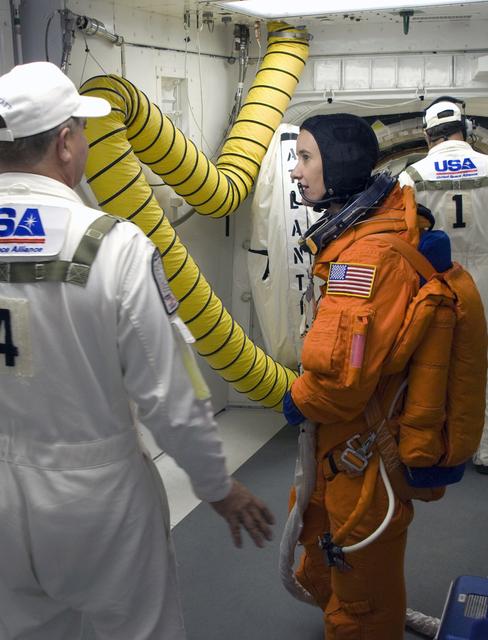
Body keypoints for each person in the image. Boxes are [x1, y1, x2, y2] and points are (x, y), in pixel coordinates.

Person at [0, 61, 274, 640]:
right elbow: (171, 395)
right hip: (97, 496)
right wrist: (217, 487)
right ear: (66, 142)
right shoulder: (113, 246)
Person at [282, 113, 441, 639]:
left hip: (362, 449)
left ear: (341, 164)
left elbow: (340, 383)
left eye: (306, 157)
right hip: (341, 447)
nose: (296, 170)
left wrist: (297, 399)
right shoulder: (358, 236)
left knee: (362, 587)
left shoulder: (367, 258)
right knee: (323, 543)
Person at [398, 96, 488, 474]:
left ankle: (434, 443)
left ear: (427, 135)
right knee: (482, 362)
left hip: (436, 280)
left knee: (434, 363)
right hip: (485, 276)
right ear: (463, 129)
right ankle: (484, 450)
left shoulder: (411, 176)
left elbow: (404, 237)